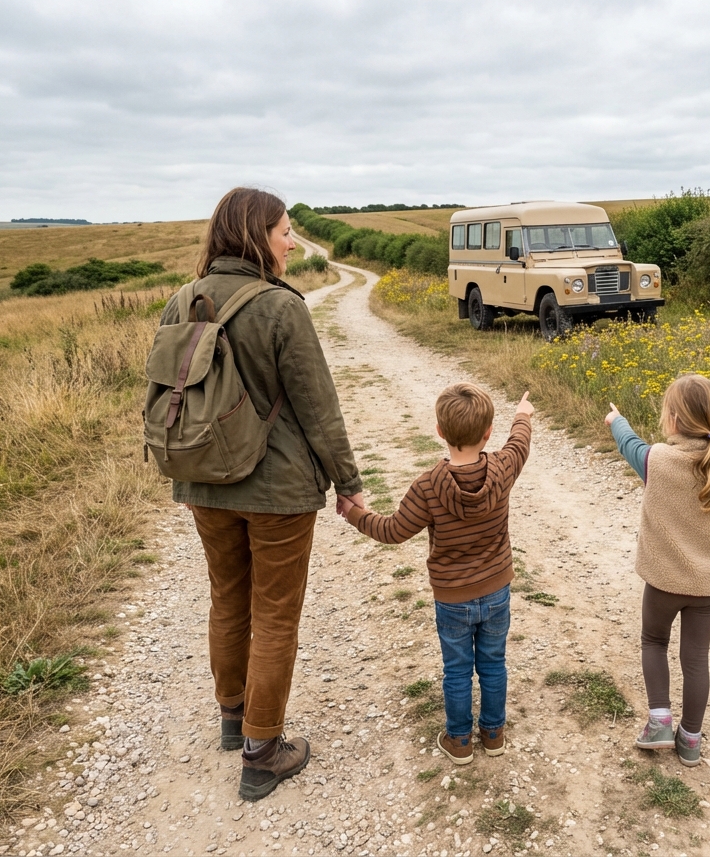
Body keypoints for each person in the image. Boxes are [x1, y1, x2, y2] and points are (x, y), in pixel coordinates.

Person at [159, 187, 365, 800]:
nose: (292, 241)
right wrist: (348, 485)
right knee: (274, 615)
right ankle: (263, 752)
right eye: (284, 231)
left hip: (202, 481)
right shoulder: (280, 307)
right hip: (276, 492)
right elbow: (318, 408)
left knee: (227, 598)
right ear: (256, 235)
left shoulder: (179, 301)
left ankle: (232, 718)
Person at [339, 384, 533, 765]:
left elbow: (392, 530)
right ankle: (493, 734)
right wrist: (522, 414)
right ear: (488, 432)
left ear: (440, 431)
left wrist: (354, 513)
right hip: (497, 592)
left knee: (457, 670)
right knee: (494, 663)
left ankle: (459, 740)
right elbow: (520, 442)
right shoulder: (504, 467)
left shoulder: (427, 487)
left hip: (451, 598)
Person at [606, 375, 710, 766]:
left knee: (653, 643)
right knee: (696, 659)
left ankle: (659, 722)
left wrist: (617, 421)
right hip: (706, 589)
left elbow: (629, 445)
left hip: (662, 582)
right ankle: (691, 740)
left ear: (674, 421)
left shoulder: (657, 460)